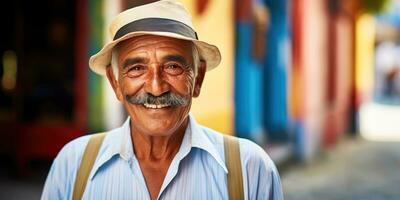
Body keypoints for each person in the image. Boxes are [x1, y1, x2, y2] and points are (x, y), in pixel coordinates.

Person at [41, 1, 283, 199]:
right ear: (115, 83)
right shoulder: (73, 166)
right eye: (136, 68)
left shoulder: (250, 170)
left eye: (173, 66)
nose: (156, 87)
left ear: (197, 78)